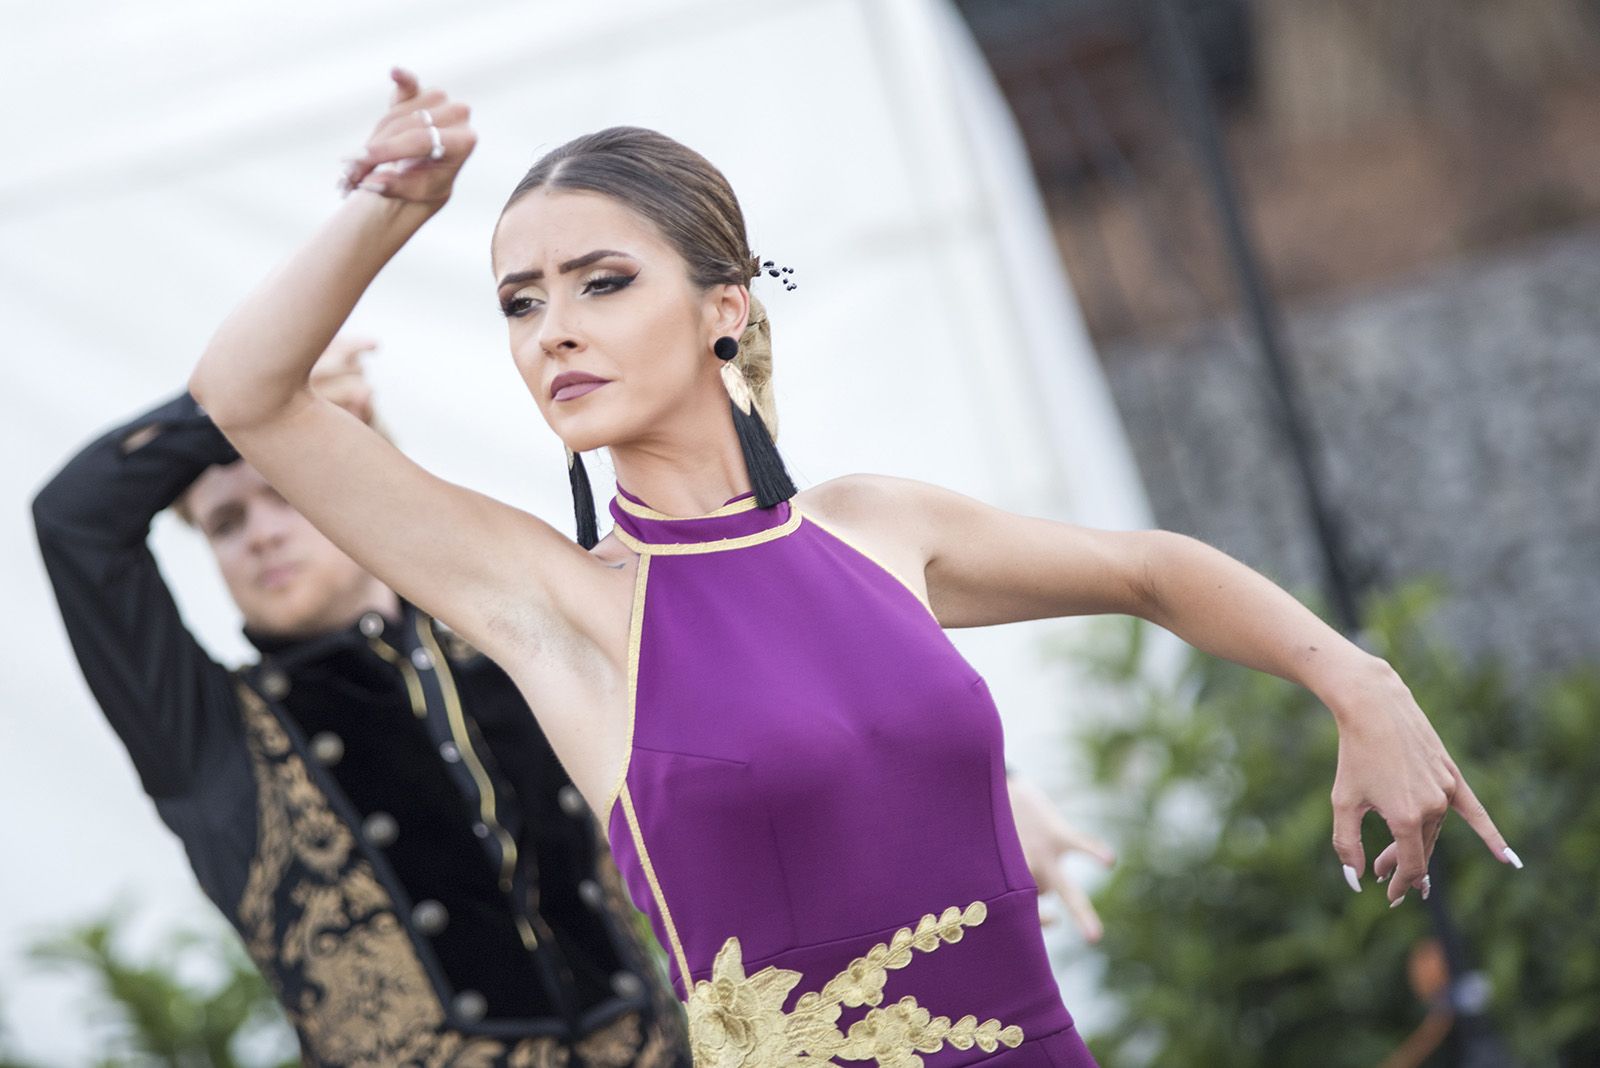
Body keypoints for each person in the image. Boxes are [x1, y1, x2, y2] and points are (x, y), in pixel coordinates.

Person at [186, 68, 1517, 1066]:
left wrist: (1361, 682)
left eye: (600, 283)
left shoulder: (870, 526)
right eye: (520, 302)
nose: (553, 333)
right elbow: (247, 395)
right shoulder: (565, 605)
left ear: (725, 306)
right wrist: (393, 207)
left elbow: (1152, 570)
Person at [32, 339, 691, 1067]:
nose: (262, 535)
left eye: (283, 492)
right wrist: (245, 399)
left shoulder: (515, 648)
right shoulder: (207, 734)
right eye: (226, 524)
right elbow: (75, 520)